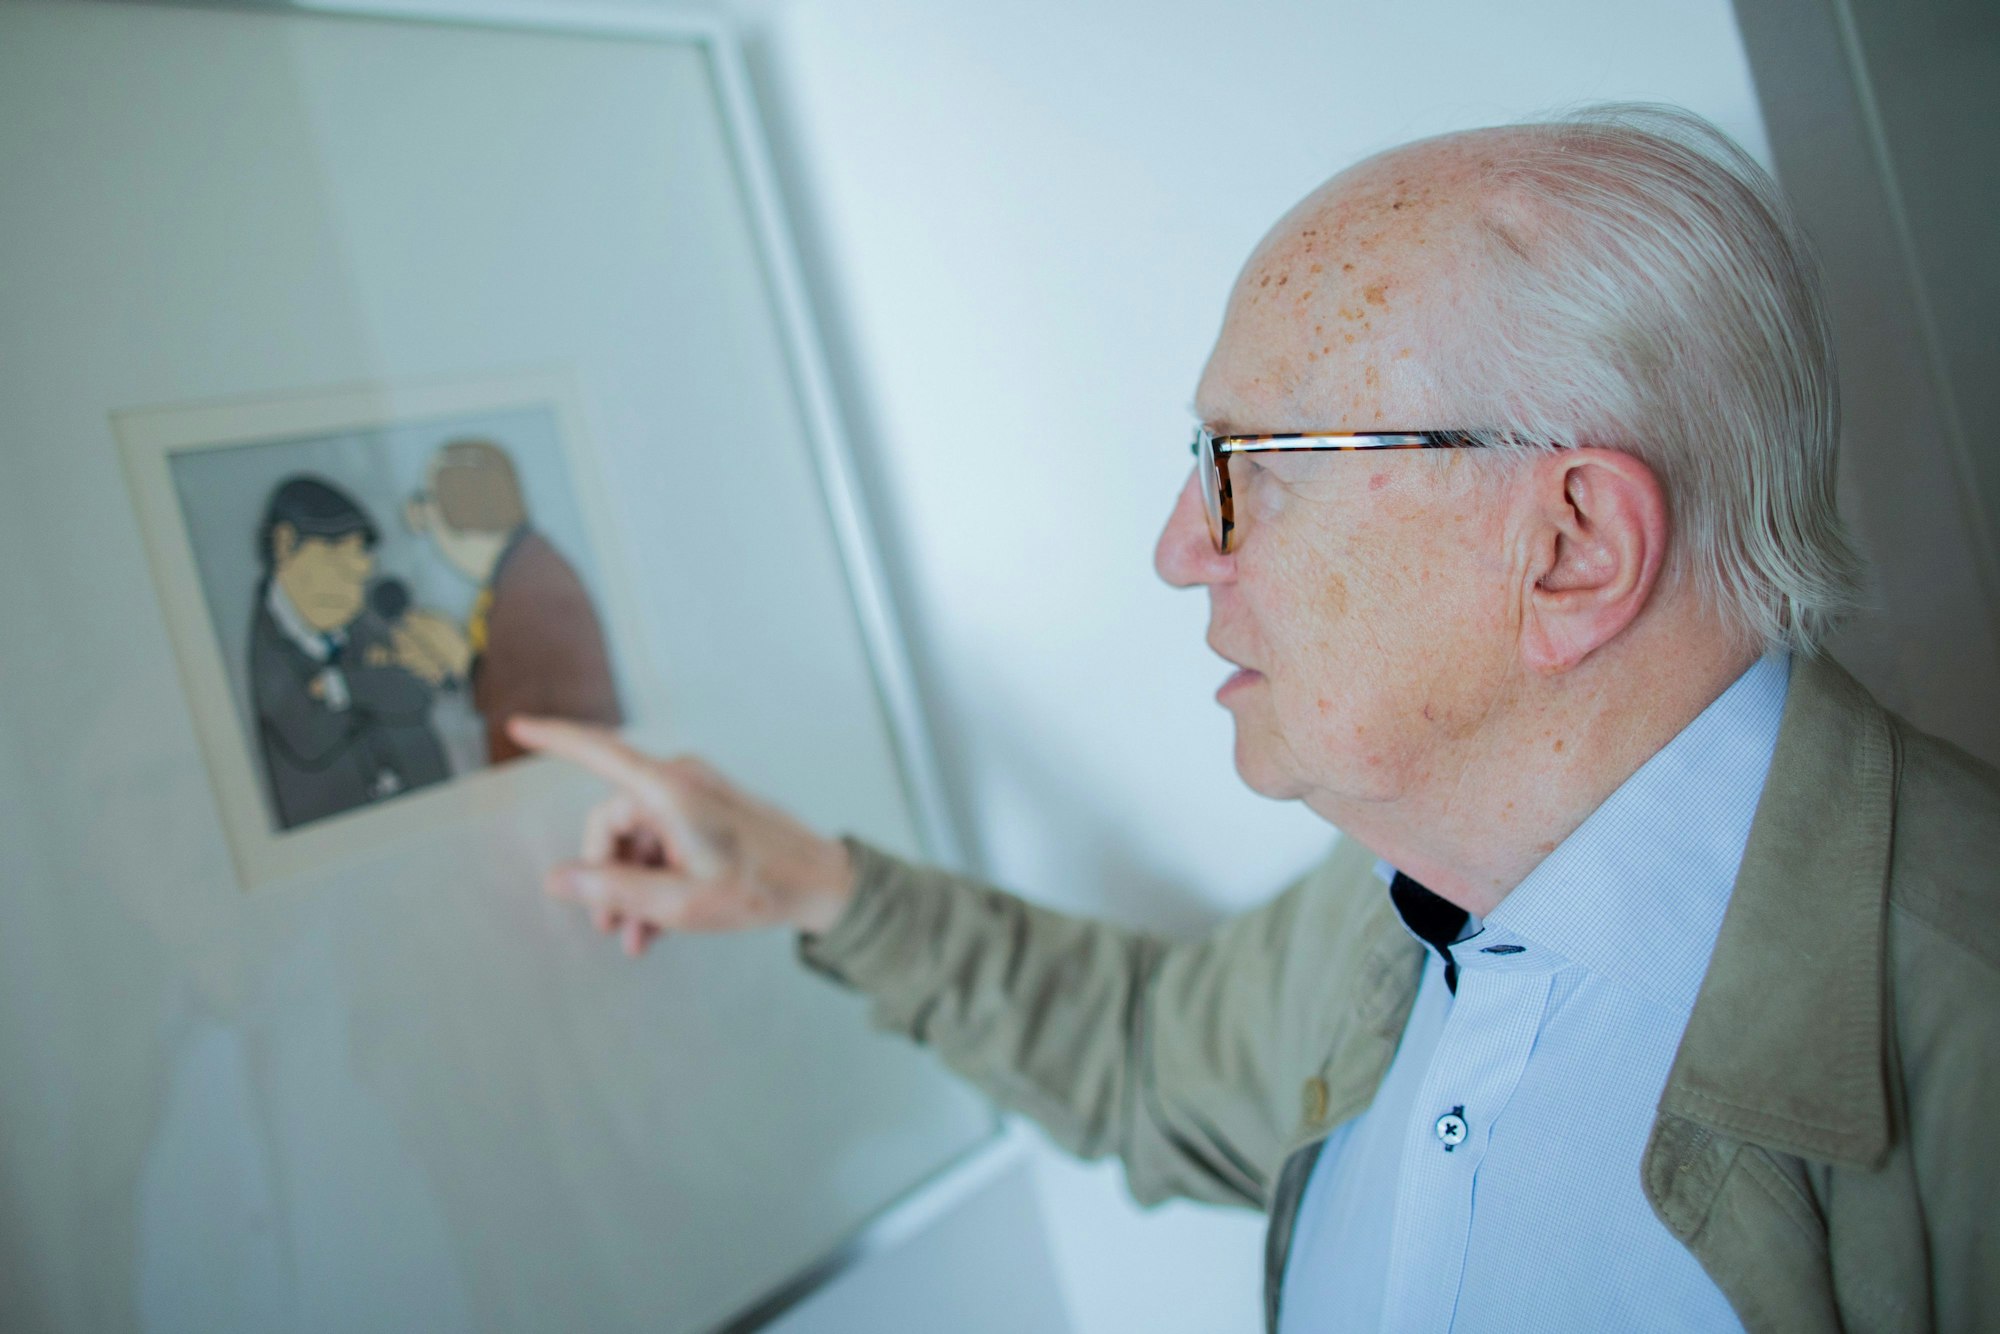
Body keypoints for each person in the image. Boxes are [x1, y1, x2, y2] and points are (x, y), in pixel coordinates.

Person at [510, 104, 1998, 1332]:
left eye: (1251, 466)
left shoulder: (1963, 1045)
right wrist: (803, 881)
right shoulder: (1407, 912)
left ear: (1570, 547)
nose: (1180, 545)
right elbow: (1150, 1048)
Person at [251, 475, 463, 829]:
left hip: (439, 820)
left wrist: (344, 687)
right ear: (285, 544)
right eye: (336, 568)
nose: (350, 593)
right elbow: (309, 737)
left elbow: (418, 690)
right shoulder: (266, 648)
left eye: (357, 577)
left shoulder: (364, 622)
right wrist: (382, 685)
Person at [406, 438, 621, 765]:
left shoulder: (530, 588)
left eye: (427, 502)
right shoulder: (524, 572)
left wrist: (466, 664)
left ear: (460, 501)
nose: (422, 520)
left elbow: (521, 721)